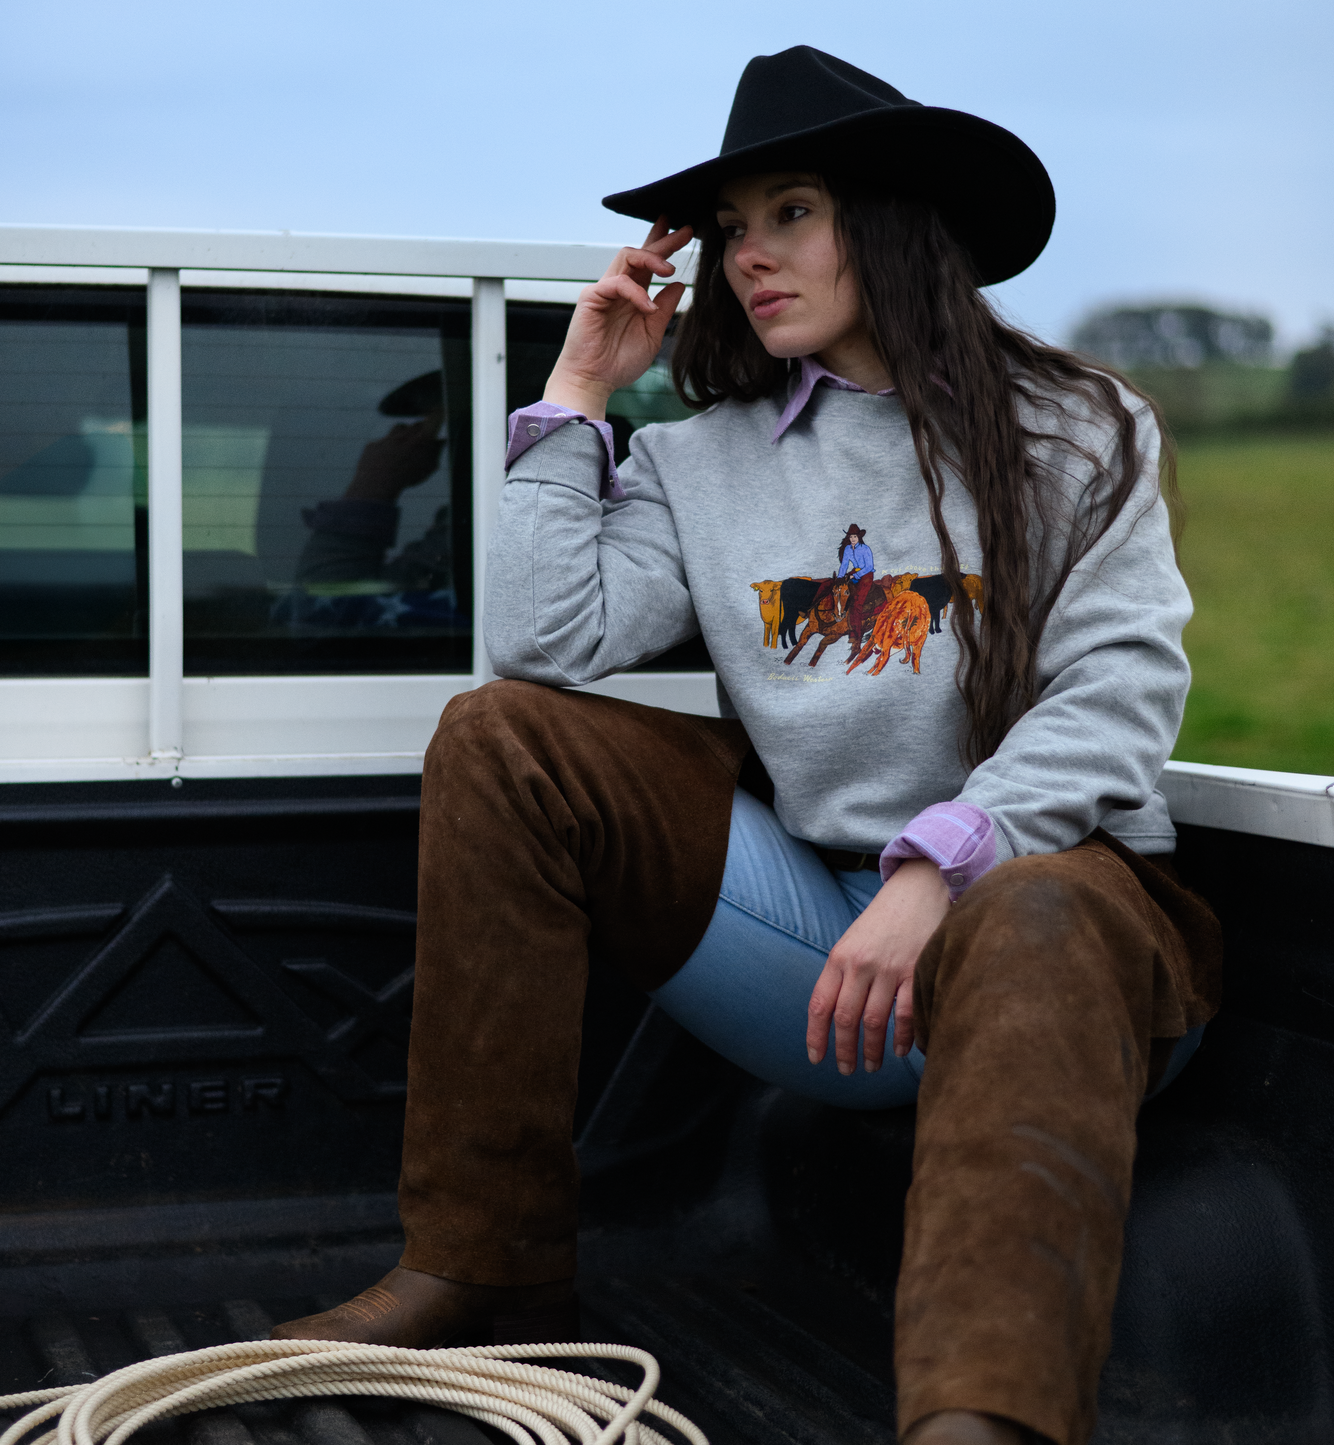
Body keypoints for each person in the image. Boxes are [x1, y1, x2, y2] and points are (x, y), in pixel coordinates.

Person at [271, 46, 1220, 1445]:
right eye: (730, 232)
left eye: (791, 212)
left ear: (889, 219)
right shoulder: (697, 461)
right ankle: (481, 1269)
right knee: (501, 742)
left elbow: (1123, 692)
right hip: (820, 952)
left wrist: (937, 866)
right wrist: (581, 392)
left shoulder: (1074, 427)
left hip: (1052, 952)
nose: (749, 258)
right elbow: (542, 646)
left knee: (1030, 911)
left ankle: (982, 1419)